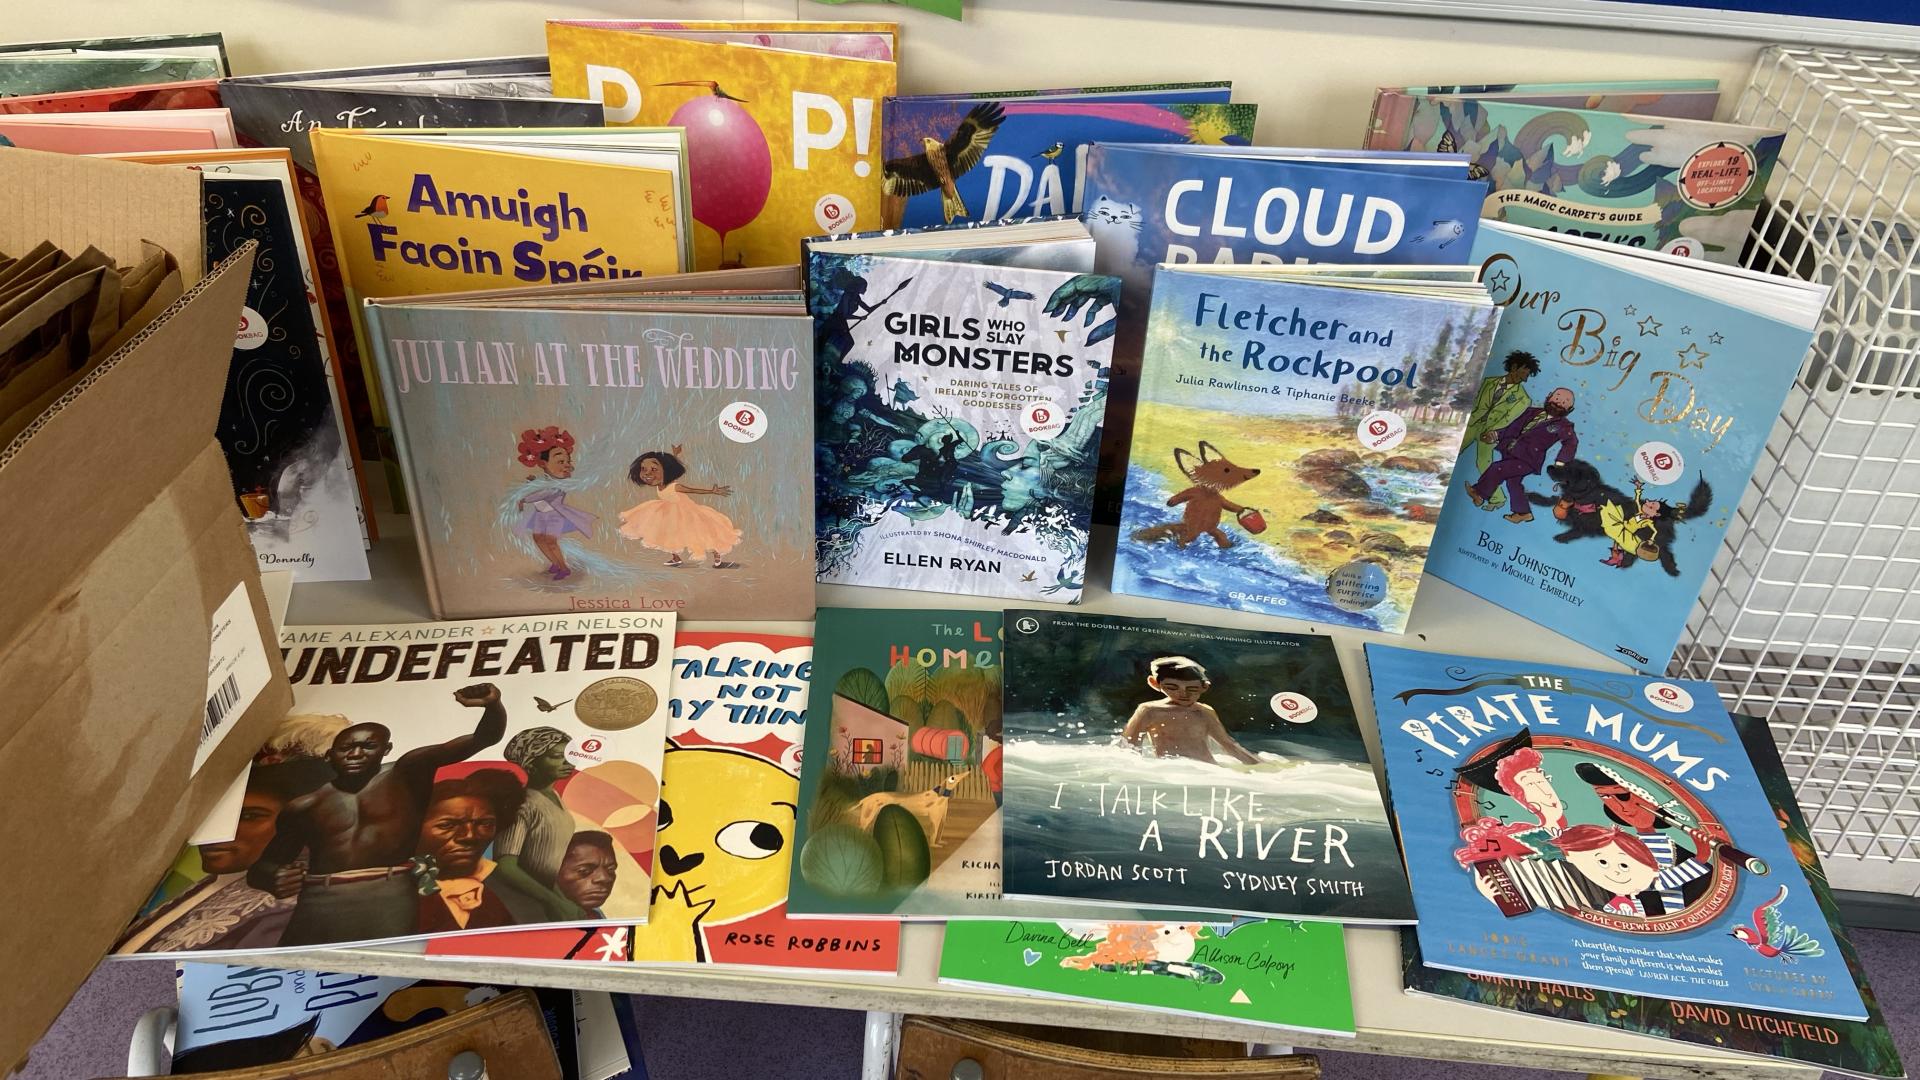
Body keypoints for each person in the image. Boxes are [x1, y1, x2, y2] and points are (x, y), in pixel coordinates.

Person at [249, 684, 508, 947]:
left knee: (392, 961)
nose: (356, 754)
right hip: (319, 898)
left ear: (386, 749)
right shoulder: (304, 806)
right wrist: (272, 877)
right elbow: (264, 866)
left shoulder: (408, 773)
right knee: (303, 964)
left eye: (368, 746)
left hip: (389, 893)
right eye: (346, 748)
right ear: (329, 756)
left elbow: (483, 738)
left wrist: (492, 705)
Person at [115, 764, 319, 953]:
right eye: (209, 817)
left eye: (249, 817)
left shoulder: (288, 909)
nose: (217, 832)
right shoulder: (212, 882)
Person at [493, 726, 590, 921]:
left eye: (570, 754)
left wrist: (562, 901)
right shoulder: (523, 803)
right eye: (556, 756)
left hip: (543, 896)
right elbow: (506, 866)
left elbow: (543, 867)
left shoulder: (553, 796)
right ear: (531, 761)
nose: (568, 761)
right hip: (518, 901)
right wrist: (554, 901)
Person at [414, 769, 528, 933]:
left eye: (485, 824)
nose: (469, 836)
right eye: (447, 825)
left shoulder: (497, 898)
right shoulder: (385, 889)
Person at [1466, 386, 1579, 524]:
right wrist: (1495, 435)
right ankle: (1523, 512)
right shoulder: (1531, 412)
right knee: (1513, 483)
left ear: (1569, 409)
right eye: (1557, 398)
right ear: (1549, 396)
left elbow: (1571, 442)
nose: (1559, 403)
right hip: (1510, 450)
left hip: (1529, 459)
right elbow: (1512, 428)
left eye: (1564, 403)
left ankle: (1479, 494)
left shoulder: (1563, 425)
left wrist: (1561, 462)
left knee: (1498, 469)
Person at [1120, 656, 1260, 765]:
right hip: (1171, 770)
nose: (1183, 694)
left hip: (1208, 769)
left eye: (1192, 689)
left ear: (1204, 687)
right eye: (1172, 687)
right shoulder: (1149, 711)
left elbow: (1229, 745)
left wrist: (1261, 767)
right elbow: (1129, 748)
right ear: (1155, 684)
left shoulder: (1204, 712)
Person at [617, 446, 741, 568]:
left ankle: (717, 555)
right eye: (643, 468)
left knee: (701, 533)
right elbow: (669, 466)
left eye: (654, 469)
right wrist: (675, 455)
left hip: (687, 512)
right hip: (667, 511)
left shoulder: (675, 486)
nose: (647, 473)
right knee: (667, 534)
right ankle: (676, 558)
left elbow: (693, 490)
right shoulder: (661, 484)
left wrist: (711, 491)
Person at [1553, 823, 1715, 917]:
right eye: (1603, 862)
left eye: (1623, 865)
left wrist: (1701, 857)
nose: (1615, 872)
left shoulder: (1646, 882)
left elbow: (1664, 881)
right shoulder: (1608, 896)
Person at [515, 427, 597, 582]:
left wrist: (524, 499)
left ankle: (564, 568)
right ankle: (555, 563)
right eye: (560, 461)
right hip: (540, 516)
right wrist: (532, 483)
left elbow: (543, 494)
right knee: (538, 538)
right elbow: (540, 488)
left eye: (567, 461)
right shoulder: (546, 480)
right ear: (543, 463)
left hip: (554, 517)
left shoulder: (559, 484)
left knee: (551, 542)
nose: (565, 465)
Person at [1462, 350, 1541, 510]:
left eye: (1528, 373)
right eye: (1524, 371)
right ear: (1514, 367)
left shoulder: (1523, 399)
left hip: (1490, 433)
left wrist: (1494, 433)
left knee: (1484, 463)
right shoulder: (1488, 381)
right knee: (1456, 449)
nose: (1526, 376)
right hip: (1472, 424)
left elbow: (1508, 419)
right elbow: (1476, 402)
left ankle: (1497, 499)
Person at [555, 830, 620, 917]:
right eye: (584, 871)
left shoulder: (595, 916)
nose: (604, 878)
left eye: (610, 870)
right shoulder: (543, 917)